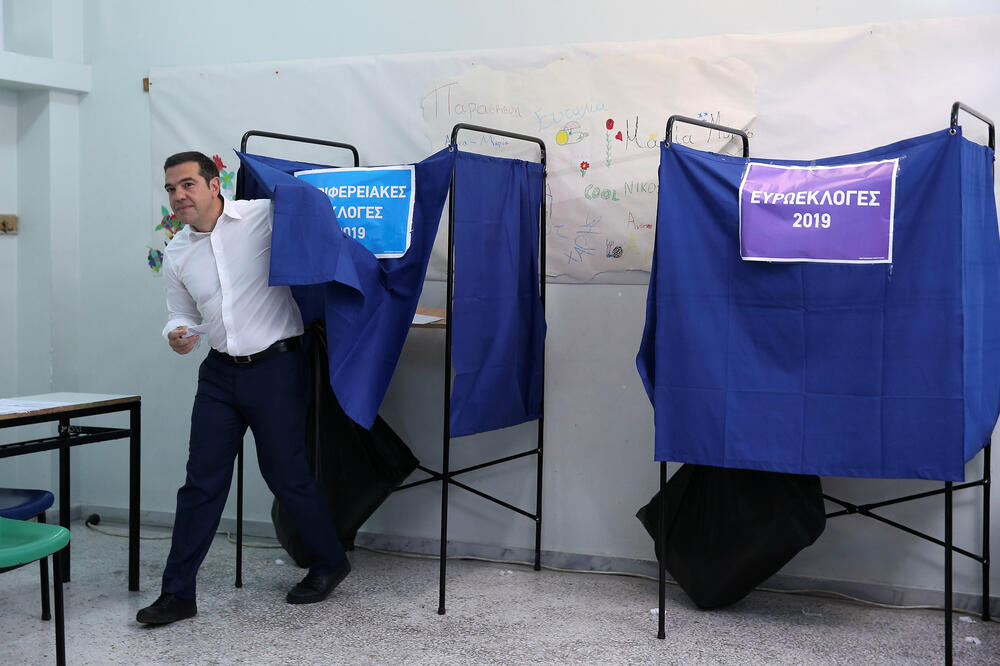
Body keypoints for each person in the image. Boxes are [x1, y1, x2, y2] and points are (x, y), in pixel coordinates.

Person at [136, 151, 350, 625]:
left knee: (286, 474)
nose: (178, 196)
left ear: (215, 185)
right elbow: (180, 312)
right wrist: (175, 333)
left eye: (187, 184)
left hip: (277, 367)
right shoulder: (177, 251)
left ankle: (329, 561)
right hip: (219, 374)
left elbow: (315, 217)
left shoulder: (263, 216)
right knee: (201, 483)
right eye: (170, 189)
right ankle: (177, 594)